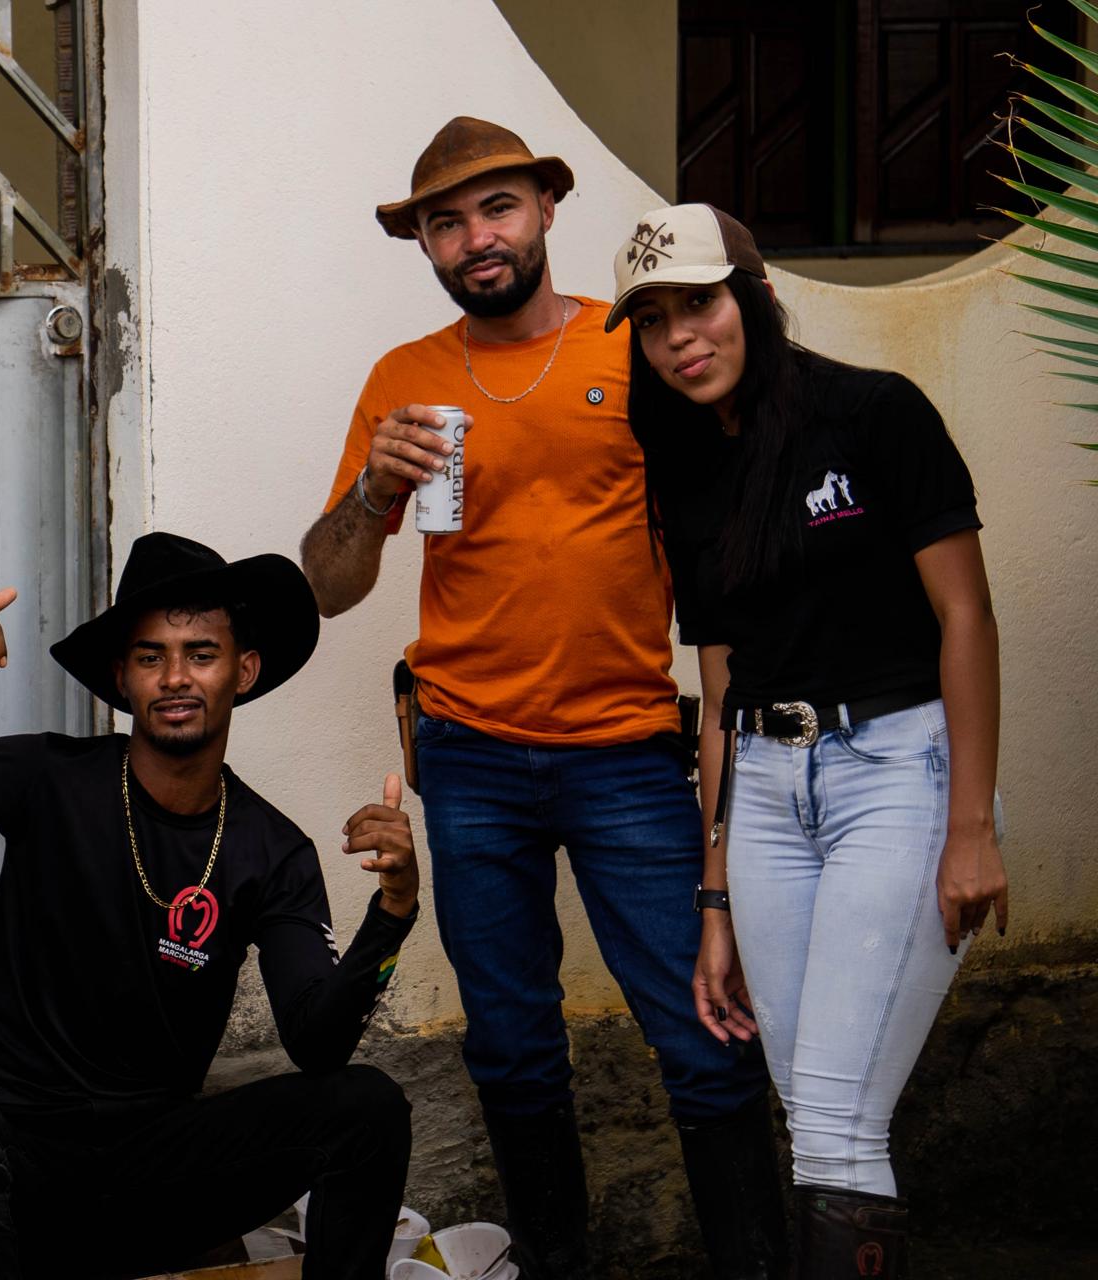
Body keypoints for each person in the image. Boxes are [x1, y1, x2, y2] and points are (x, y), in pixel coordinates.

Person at [298, 117, 785, 1279]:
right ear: (424, 244)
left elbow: (738, 500)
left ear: (547, 209)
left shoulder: (637, 350)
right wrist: (371, 492)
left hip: (628, 751)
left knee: (706, 1036)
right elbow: (325, 584)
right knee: (513, 1049)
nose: (476, 237)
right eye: (446, 222)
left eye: (498, 207)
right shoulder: (404, 381)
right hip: (469, 755)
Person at [0, 532, 418, 1280]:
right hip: (21, 1174)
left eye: (201, 654)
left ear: (244, 671)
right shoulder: (47, 777)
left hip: (159, 1178)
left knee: (369, 1107)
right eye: (151, 657)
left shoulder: (271, 850)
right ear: (122, 677)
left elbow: (317, 1045)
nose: (176, 677)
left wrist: (393, 910)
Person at [608, 202, 1008, 1278]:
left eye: (699, 303)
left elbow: (966, 616)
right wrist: (715, 899)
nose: (680, 337)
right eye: (652, 320)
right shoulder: (684, 465)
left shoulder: (875, 413)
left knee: (834, 1118)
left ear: (755, 296)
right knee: (811, 1109)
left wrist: (972, 825)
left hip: (900, 770)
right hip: (766, 793)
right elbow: (718, 689)